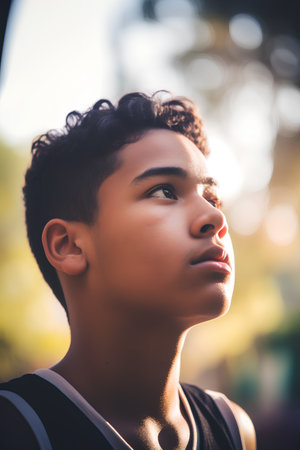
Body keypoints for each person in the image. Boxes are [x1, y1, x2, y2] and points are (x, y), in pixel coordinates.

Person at [0, 92, 256, 449]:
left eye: (211, 198)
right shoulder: (16, 427)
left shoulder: (233, 428)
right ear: (68, 245)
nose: (215, 218)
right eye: (165, 191)